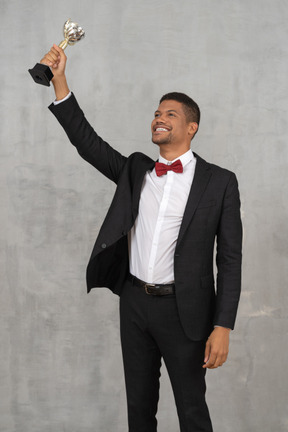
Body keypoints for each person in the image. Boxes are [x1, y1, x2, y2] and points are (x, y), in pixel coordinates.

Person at [40, 44, 242, 432]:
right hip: (134, 303)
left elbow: (230, 258)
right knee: (139, 410)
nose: (159, 119)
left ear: (191, 127)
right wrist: (60, 80)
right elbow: (88, 143)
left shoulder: (220, 182)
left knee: (192, 411)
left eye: (170, 114)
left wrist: (223, 326)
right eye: (156, 113)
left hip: (186, 311)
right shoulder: (136, 169)